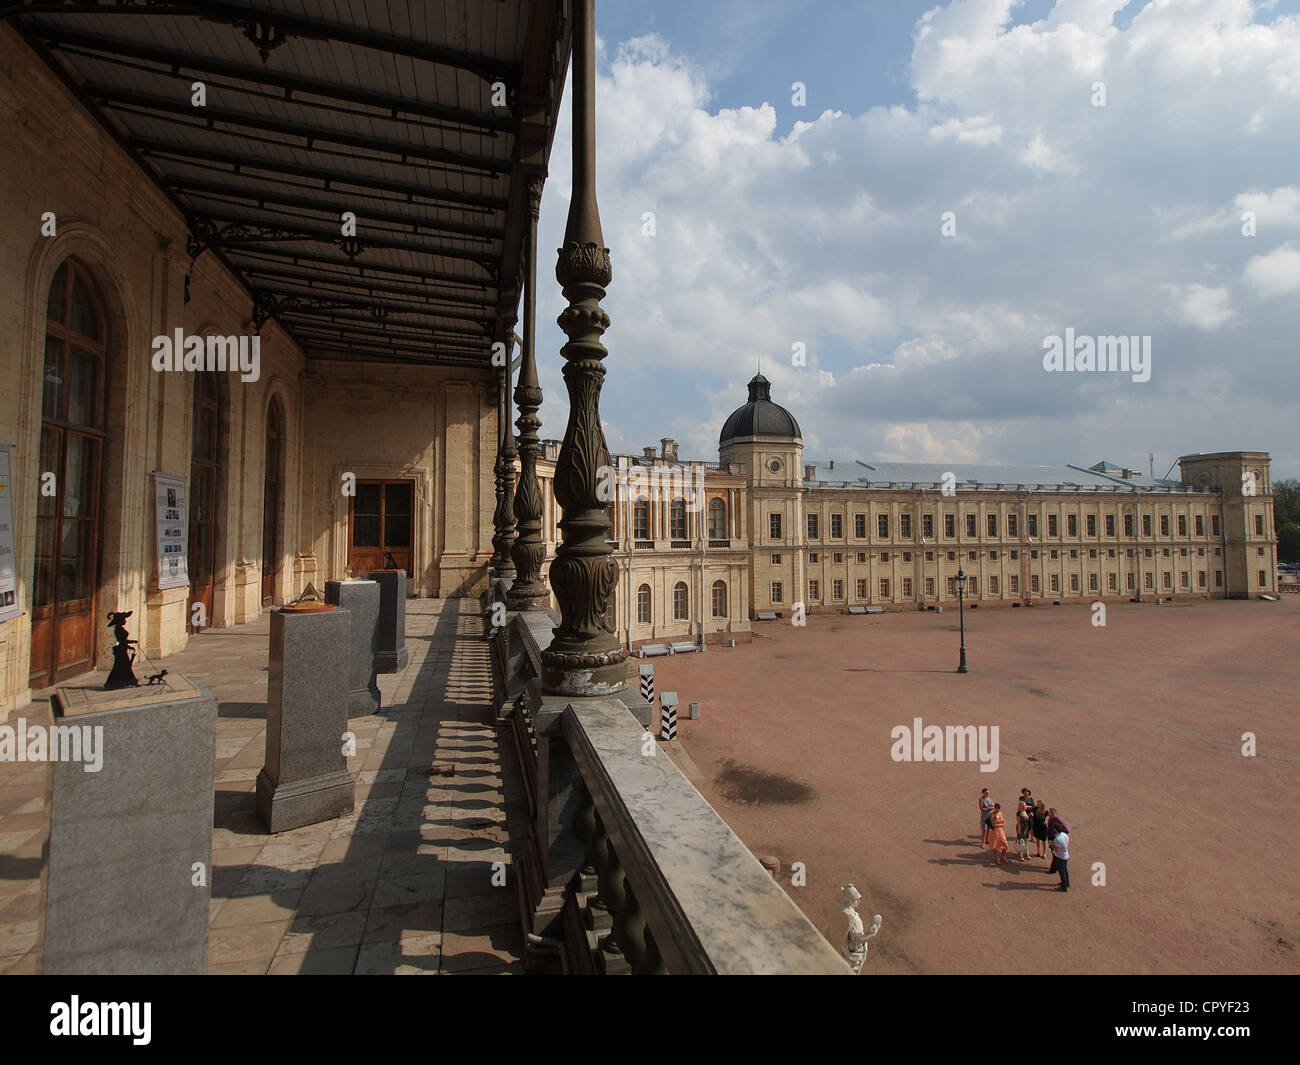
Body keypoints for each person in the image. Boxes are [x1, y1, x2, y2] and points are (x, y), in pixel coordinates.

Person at [1051, 825, 1070, 892]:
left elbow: (1057, 849)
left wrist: (1052, 845)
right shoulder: (1065, 835)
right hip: (1065, 855)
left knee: (1062, 872)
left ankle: (1063, 887)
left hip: (1060, 857)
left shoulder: (1057, 839)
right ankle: (1067, 883)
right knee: (1065, 870)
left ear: (1056, 830)